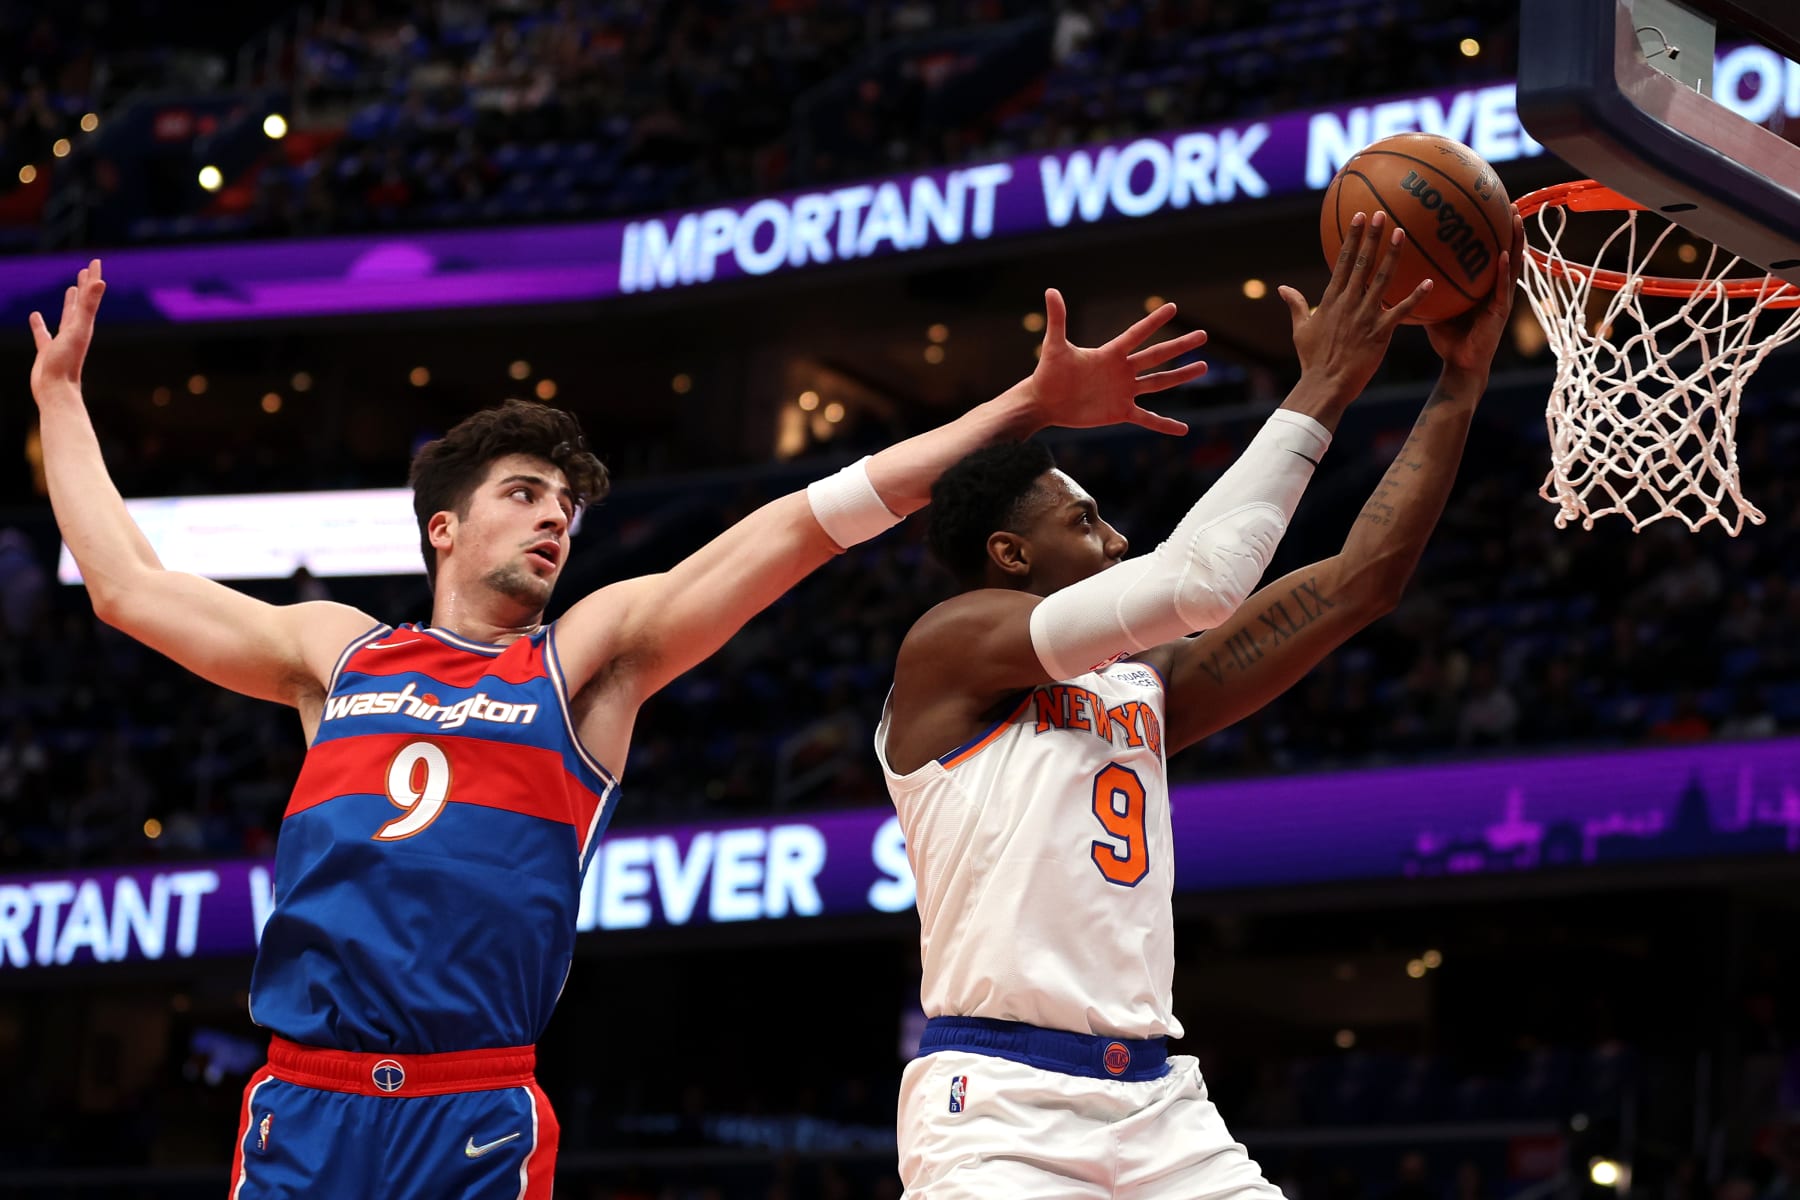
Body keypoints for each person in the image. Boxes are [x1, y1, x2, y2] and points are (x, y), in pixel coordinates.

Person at [29, 261, 1210, 1198]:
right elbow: (129, 587)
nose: (555, 522)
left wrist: (1017, 412)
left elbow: (802, 526)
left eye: (567, 507)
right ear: (444, 527)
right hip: (308, 1099)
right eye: (524, 496)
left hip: (471, 1110)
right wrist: (61, 403)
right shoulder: (336, 653)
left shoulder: (586, 660)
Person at [874, 208, 1525, 1198]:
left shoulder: (1143, 684)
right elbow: (1200, 578)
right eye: (1083, 521)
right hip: (999, 1105)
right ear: (1010, 554)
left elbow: (1361, 582)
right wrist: (1329, 381)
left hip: (1161, 1108)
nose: (1114, 539)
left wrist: (1460, 383)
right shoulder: (948, 650)